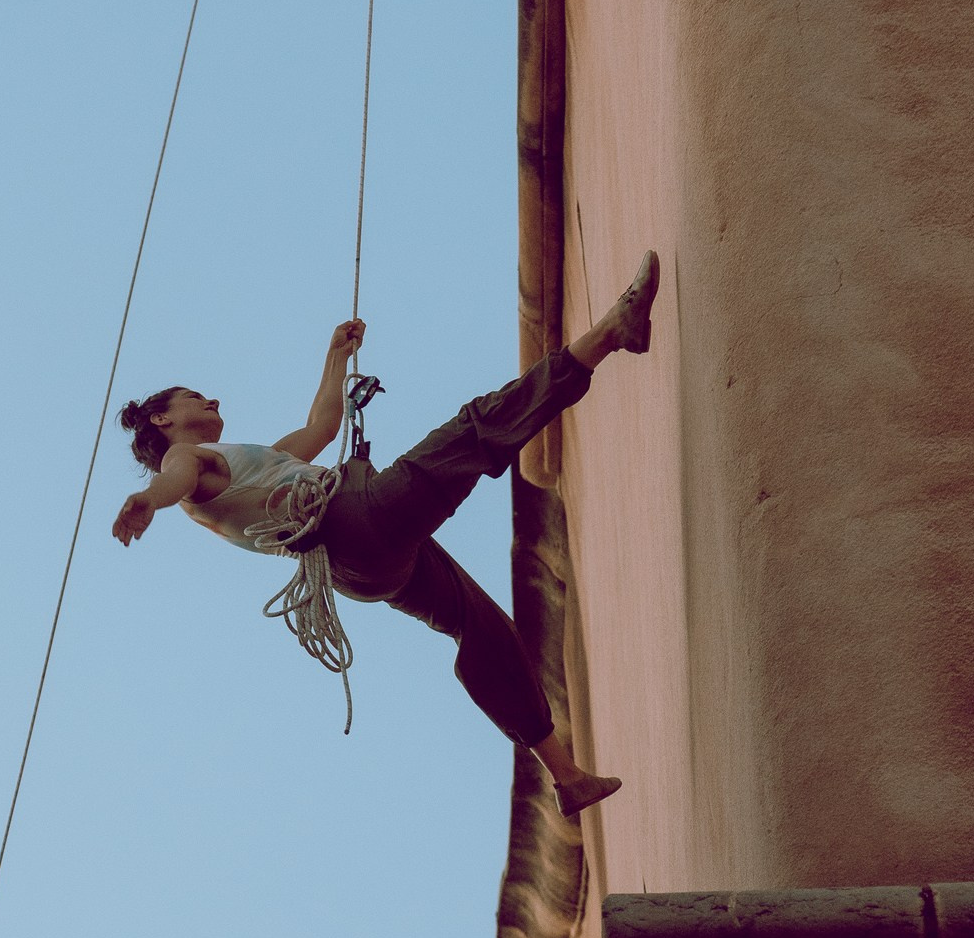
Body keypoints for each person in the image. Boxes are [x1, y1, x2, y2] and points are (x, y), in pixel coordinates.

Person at [112, 252, 659, 815]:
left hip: (362, 570)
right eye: (193, 397)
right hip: (357, 519)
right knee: (476, 430)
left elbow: (322, 427)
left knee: (481, 626)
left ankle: (567, 777)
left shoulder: (253, 464)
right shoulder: (184, 460)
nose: (212, 399)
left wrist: (335, 355)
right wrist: (148, 500)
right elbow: (174, 480)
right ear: (162, 419)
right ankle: (610, 333)